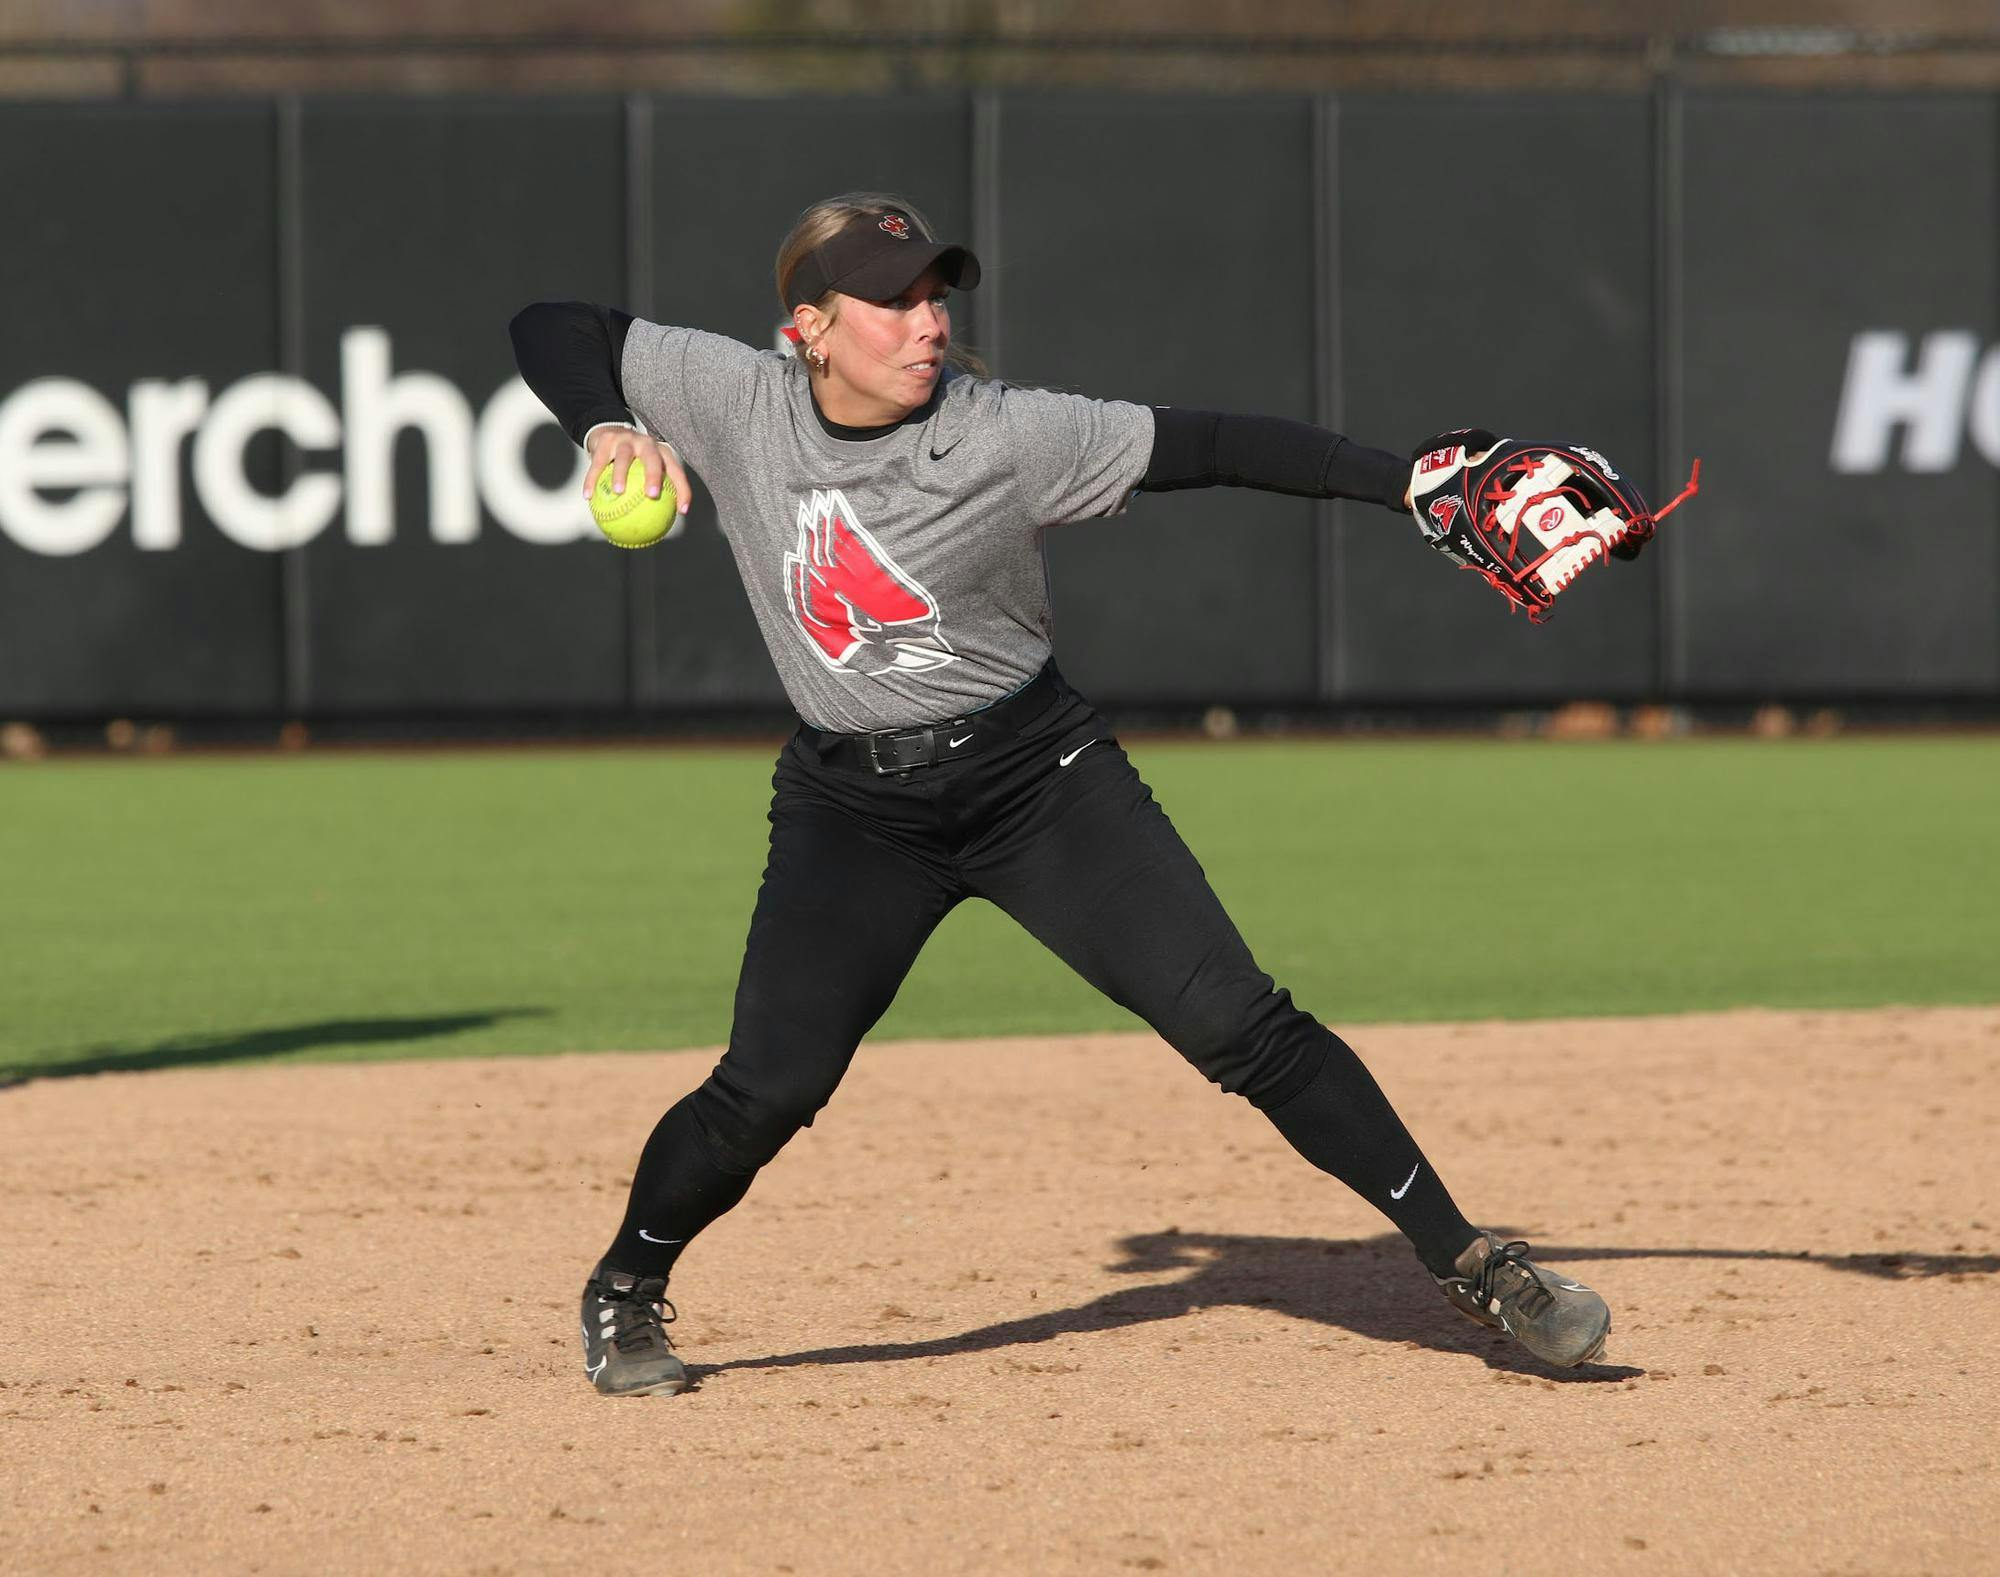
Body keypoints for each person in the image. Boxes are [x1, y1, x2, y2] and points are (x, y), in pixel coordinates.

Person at [510, 192, 1611, 1398]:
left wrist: (1402, 481)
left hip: (1038, 780)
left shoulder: (1002, 433)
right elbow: (550, 324)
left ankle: (1472, 1261)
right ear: (810, 328)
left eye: (936, 293)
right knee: (769, 1084)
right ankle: (624, 1284)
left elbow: (1214, 444)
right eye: (893, 298)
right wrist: (606, 426)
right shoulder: (735, 398)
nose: (927, 321)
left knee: (1245, 1026)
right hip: (853, 810)